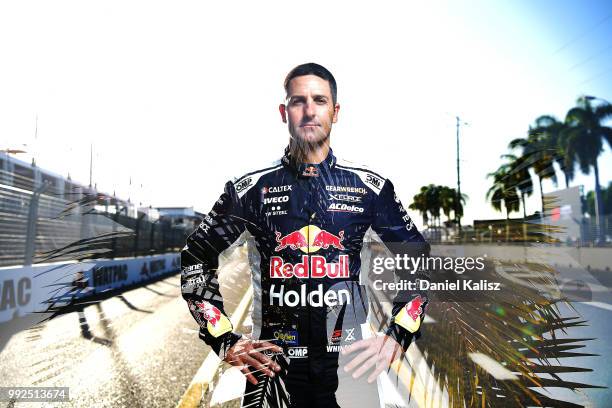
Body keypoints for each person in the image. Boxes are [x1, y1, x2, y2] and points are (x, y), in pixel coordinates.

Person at [181, 63, 430, 407]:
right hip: (272, 372)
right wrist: (224, 338)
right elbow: (196, 256)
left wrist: (398, 334)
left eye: (320, 100)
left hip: (351, 370)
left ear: (335, 111)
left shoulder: (370, 188)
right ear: (284, 112)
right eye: (299, 101)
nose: (310, 110)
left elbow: (419, 260)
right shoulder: (251, 190)